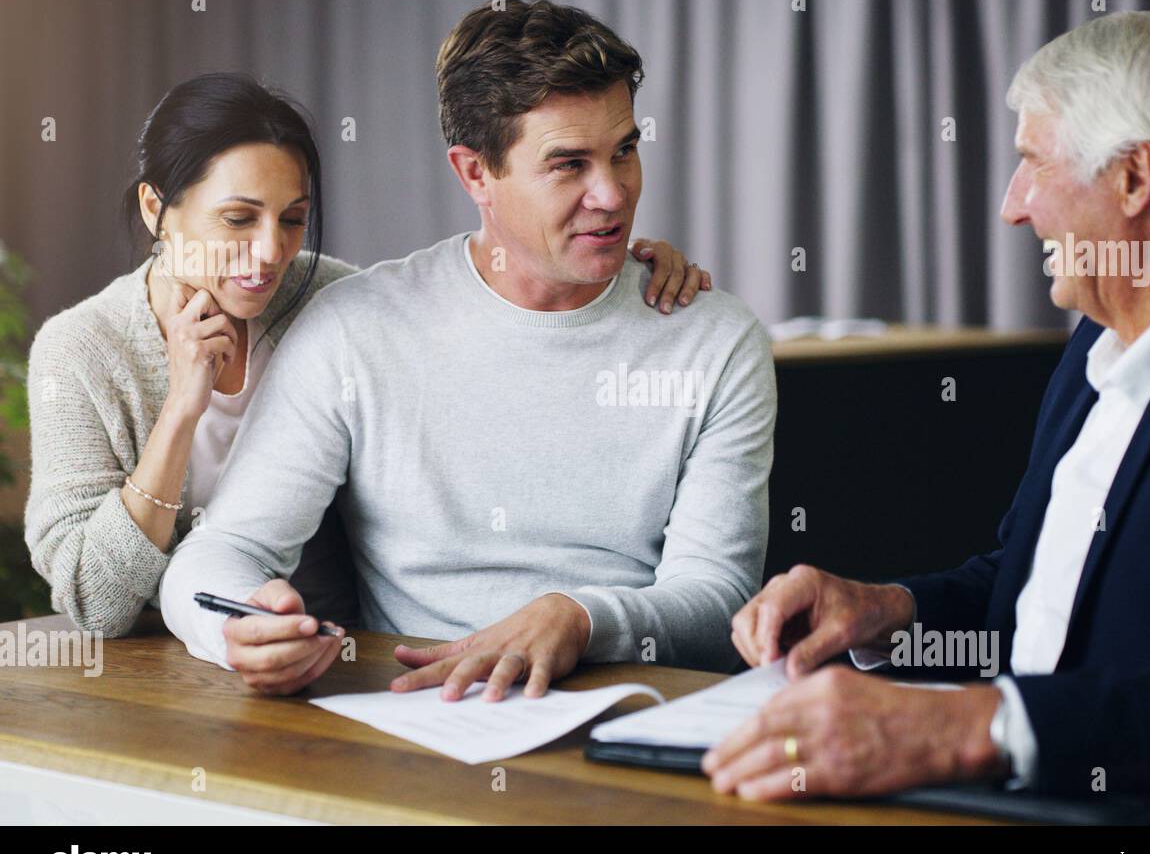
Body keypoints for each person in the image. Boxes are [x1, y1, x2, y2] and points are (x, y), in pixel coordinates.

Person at [706, 11, 1150, 802]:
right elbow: (1033, 596)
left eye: (1031, 163)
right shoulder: (1095, 347)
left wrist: (962, 730)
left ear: (1133, 177)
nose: (1013, 207)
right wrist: (887, 611)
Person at [158, 0, 777, 698]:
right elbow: (218, 552)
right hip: (426, 721)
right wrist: (237, 628)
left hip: (639, 720)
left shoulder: (717, 340)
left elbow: (721, 596)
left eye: (625, 151)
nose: (612, 194)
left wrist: (580, 617)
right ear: (475, 173)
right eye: (569, 165)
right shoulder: (356, 329)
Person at [24, 72, 712, 640]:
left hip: (338, 655)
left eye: (292, 218)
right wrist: (181, 409)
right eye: (239, 219)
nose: (270, 253)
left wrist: (618, 271)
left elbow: (474, 297)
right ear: (155, 209)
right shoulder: (82, 351)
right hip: (165, 667)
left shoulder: (333, 302)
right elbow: (96, 603)